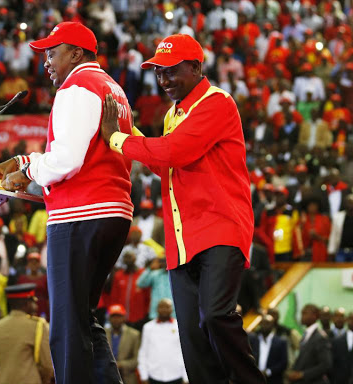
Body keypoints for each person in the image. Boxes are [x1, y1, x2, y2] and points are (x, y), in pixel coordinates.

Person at [101, 33, 264, 383]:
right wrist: (127, 133)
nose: (164, 80)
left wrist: (117, 138)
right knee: (192, 338)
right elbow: (165, 163)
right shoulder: (173, 115)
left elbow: (173, 152)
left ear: (196, 67)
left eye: (172, 71)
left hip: (220, 228)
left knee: (216, 316)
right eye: (159, 73)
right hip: (182, 239)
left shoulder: (217, 102)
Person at [0, 22, 134, 384]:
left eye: (52, 53)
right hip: (113, 210)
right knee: (82, 320)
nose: (47, 63)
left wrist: (31, 171)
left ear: (76, 53)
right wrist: (27, 164)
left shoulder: (76, 86)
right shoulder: (111, 88)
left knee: (67, 328)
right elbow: (78, 151)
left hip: (81, 213)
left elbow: (67, 161)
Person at [0, 283, 54, 384]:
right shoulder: (37, 326)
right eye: (34, 302)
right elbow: (47, 366)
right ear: (27, 304)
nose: (36, 306)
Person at [137, 299, 188, 384]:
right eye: (161, 307)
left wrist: (186, 377)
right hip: (154, 375)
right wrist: (144, 376)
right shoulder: (148, 327)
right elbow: (143, 352)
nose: (164, 309)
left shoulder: (179, 326)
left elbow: (185, 352)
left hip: (176, 375)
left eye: (167, 307)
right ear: (156, 309)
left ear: (172, 309)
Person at [286, 304, 331, 383]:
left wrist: (302, 374)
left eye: (304, 313)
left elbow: (326, 364)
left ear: (314, 316)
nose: (302, 317)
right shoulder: (306, 334)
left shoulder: (320, 337)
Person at [105, 304, 141, 384]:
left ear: (124, 317)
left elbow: (137, 360)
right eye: (113, 316)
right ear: (109, 318)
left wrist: (120, 365)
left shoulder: (134, 334)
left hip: (127, 377)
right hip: (106, 377)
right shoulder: (103, 333)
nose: (116, 319)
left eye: (119, 316)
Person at [248, 314, 288, 384]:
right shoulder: (253, 340)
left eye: (268, 323)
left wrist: (268, 372)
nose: (265, 325)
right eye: (263, 323)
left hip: (273, 380)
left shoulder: (280, 342)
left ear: (273, 325)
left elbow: (283, 363)